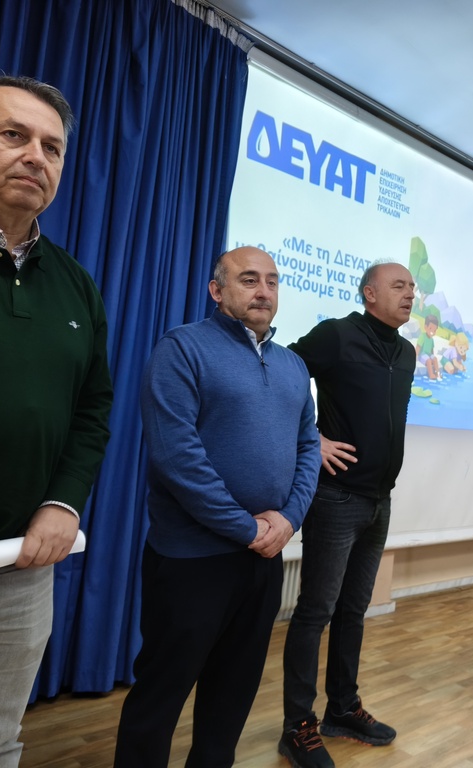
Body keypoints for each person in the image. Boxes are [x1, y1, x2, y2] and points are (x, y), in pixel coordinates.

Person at [0, 73, 113, 765]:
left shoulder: (74, 284)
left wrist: (63, 503)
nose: (35, 156)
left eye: (52, 147)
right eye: (14, 135)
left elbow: (92, 408)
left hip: (19, 569)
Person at [113, 246, 321, 767]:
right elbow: (176, 456)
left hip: (263, 559)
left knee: (231, 697)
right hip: (192, 560)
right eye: (248, 280)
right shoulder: (182, 348)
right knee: (160, 697)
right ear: (217, 290)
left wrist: (288, 519)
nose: (263, 291)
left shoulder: (294, 365)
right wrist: (245, 527)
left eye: (272, 281)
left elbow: (308, 448)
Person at [279, 261, 416, 768]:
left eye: (412, 287)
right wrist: (311, 440)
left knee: (353, 611)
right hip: (335, 498)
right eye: (398, 286)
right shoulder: (337, 335)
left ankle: (341, 709)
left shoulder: (407, 352)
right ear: (369, 293)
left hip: (380, 501)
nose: (409, 294)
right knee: (315, 612)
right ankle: (298, 727)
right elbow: (281, 374)